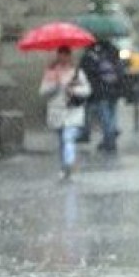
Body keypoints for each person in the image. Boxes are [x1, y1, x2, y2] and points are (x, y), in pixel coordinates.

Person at [39, 46, 91, 180]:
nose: (63, 58)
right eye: (60, 55)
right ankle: (64, 166)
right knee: (62, 141)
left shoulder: (77, 72)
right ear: (58, 56)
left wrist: (74, 91)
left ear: (69, 56)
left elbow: (87, 90)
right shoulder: (51, 72)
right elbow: (42, 91)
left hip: (73, 111)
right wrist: (55, 86)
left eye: (66, 55)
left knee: (68, 138)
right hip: (56, 111)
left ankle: (69, 164)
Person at [80, 39, 124, 152]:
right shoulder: (113, 53)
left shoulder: (91, 57)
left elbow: (87, 74)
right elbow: (121, 71)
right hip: (115, 90)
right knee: (112, 115)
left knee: (105, 117)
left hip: (101, 92)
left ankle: (109, 141)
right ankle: (110, 135)